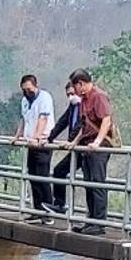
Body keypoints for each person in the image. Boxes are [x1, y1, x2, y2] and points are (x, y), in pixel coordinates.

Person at [67, 68, 115, 235]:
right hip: (87, 145)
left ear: (81, 84)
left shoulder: (98, 96)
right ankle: (91, 220)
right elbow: (84, 124)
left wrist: (97, 141)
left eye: (76, 87)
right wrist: (74, 142)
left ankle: (99, 222)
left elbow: (106, 120)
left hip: (99, 146)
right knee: (89, 183)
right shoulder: (84, 100)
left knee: (97, 182)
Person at [9, 74, 55, 222]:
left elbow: (43, 118)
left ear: (35, 86)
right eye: (24, 89)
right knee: (33, 177)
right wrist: (17, 136)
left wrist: (36, 137)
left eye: (29, 89)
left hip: (41, 143)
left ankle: (48, 212)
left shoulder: (44, 97)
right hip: (30, 143)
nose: (27, 92)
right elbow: (24, 119)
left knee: (42, 177)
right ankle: (37, 210)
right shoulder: (24, 100)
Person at [45, 79, 81, 214]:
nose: (71, 97)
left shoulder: (87, 105)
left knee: (93, 182)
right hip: (75, 148)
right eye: (68, 95)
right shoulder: (73, 107)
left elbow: (82, 125)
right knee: (59, 171)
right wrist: (49, 138)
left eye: (73, 93)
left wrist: (73, 140)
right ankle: (59, 204)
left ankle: (96, 219)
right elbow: (62, 122)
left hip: (84, 147)